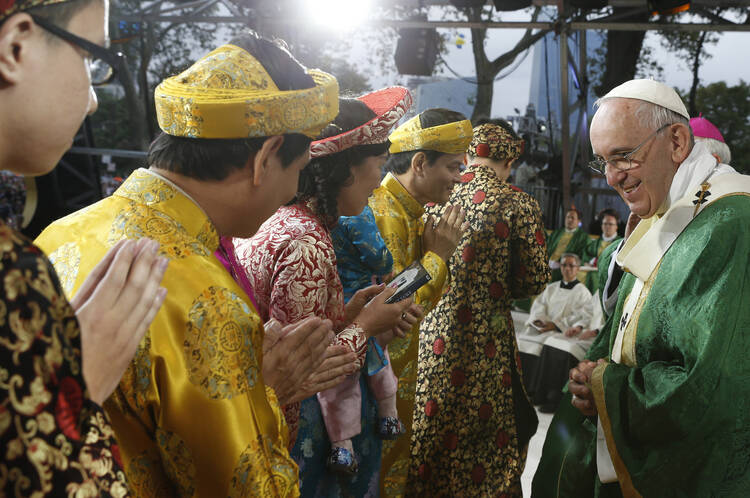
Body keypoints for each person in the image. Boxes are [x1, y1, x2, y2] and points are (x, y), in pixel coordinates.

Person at [36, 34, 342, 495]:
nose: (291, 195)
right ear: (264, 158)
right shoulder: (208, 301)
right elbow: (248, 487)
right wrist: (263, 399)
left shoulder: (59, 233)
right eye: (296, 171)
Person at [533, 79, 750, 497]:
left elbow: (715, 386)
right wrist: (590, 374)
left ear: (677, 141)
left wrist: (606, 387)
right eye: (602, 162)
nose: (613, 178)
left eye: (624, 156)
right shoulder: (668, 204)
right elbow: (631, 318)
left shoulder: (730, 224)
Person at [0, 0, 169, 494]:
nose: (93, 100)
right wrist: (77, 392)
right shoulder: (14, 272)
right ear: (16, 47)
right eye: (92, 59)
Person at [233, 91, 420, 497]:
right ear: (345, 169)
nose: (379, 180)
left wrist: (349, 313)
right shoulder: (308, 241)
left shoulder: (281, 220)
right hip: (293, 438)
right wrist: (367, 324)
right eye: (378, 165)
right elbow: (305, 373)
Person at [407, 120, 549, 496]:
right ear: (509, 161)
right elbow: (534, 280)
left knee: (429, 428)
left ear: (469, 156)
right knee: (489, 440)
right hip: (487, 343)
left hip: (431, 333)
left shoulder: (439, 195)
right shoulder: (518, 202)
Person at [369, 108, 471, 497]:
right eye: (453, 167)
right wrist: (437, 258)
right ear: (419, 163)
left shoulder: (413, 213)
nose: (460, 179)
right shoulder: (384, 212)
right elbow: (394, 303)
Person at [518, 253, 602, 413]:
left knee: (554, 345)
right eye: (564, 265)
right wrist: (539, 322)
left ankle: (551, 396)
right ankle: (527, 388)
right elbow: (539, 307)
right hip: (548, 328)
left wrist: (556, 325)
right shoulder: (551, 287)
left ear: (578, 269)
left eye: (571, 265)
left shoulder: (582, 292)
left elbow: (583, 315)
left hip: (563, 330)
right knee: (524, 340)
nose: (567, 269)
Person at [546, 207, 588, 281]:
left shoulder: (583, 237)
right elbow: (547, 247)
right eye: (568, 217)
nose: (569, 220)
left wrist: (561, 263)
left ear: (578, 221)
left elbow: (582, 256)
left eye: (572, 218)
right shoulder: (557, 233)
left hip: (565, 269)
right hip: (547, 266)